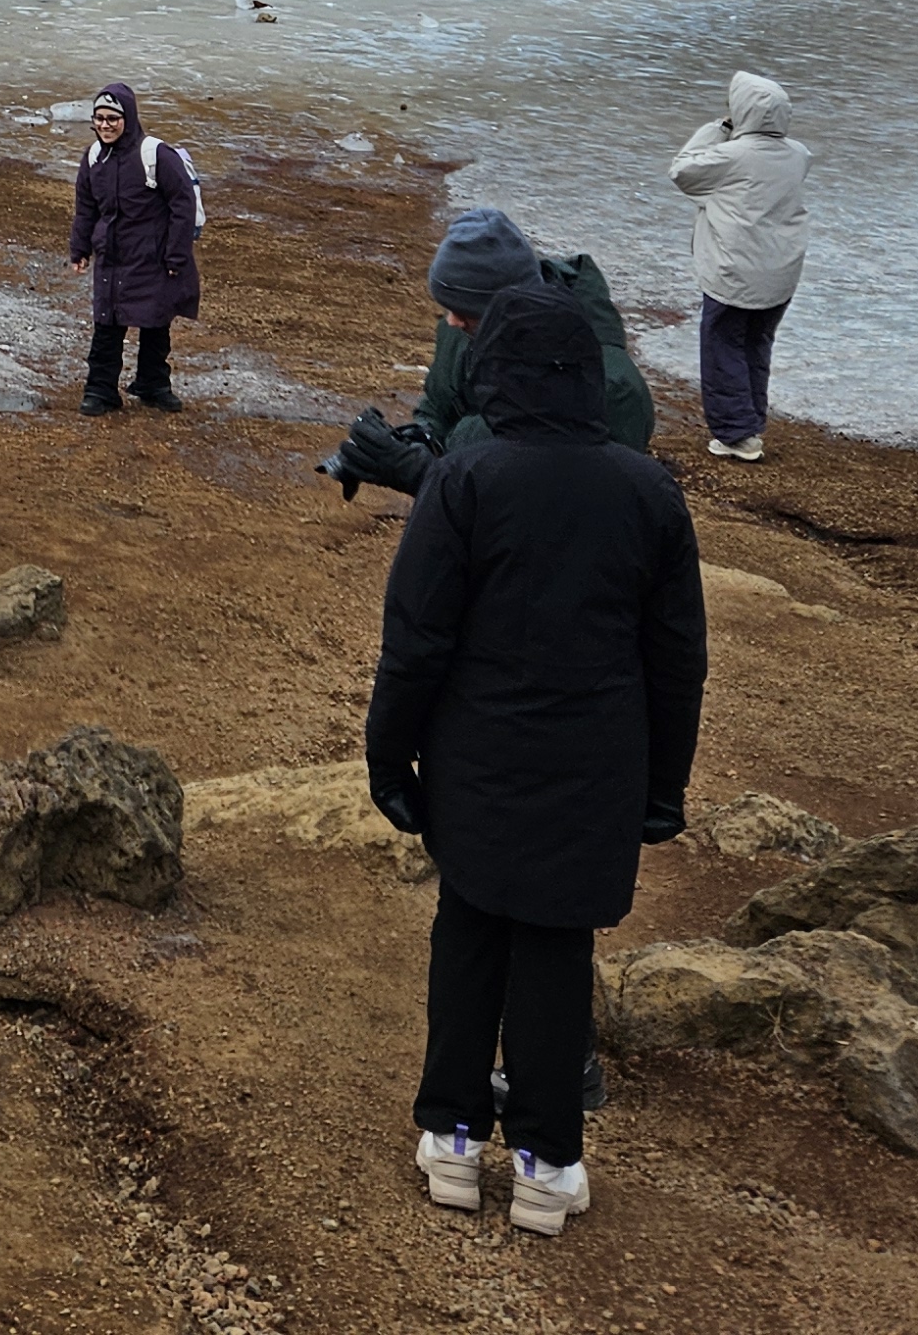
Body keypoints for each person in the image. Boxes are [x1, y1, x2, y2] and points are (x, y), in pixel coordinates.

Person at [364, 278, 708, 1239]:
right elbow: (677, 656)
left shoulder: (467, 481)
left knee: (468, 932)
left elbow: (415, 641)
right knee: (557, 950)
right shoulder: (648, 491)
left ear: (494, 373)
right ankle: (550, 1164)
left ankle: (454, 1144)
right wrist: (664, 786)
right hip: (598, 764)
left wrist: (389, 761)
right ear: (590, 377)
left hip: (478, 753)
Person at [411, 210, 655, 456]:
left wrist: (427, 472)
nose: (452, 320)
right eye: (449, 308)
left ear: (501, 309)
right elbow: (436, 404)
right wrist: (420, 441)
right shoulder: (464, 331)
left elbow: (593, 484)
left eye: (463, 310)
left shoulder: (613, 386)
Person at [671, 71, 810, 463]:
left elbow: (682, 170)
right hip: (781, 271)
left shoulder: (731, 155)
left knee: (722, 345)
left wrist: (719, 128)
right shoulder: (798, 155)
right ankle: (749, 420)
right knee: (756, 343)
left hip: (735, 272)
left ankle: (736, 434)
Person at [67, 83, 202, 413]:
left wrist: (176, 254)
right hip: (111, 258)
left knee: (156, 322)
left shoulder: (157, 155)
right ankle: (100, 390)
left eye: (112, 118)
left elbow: (182, 205)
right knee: (107, 323)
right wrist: (79, 249)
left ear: (128, 117)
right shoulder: (93, 158)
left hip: (153, 257)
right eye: (98, 118)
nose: (105, 125)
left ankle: (152, 383)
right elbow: (86, 208)